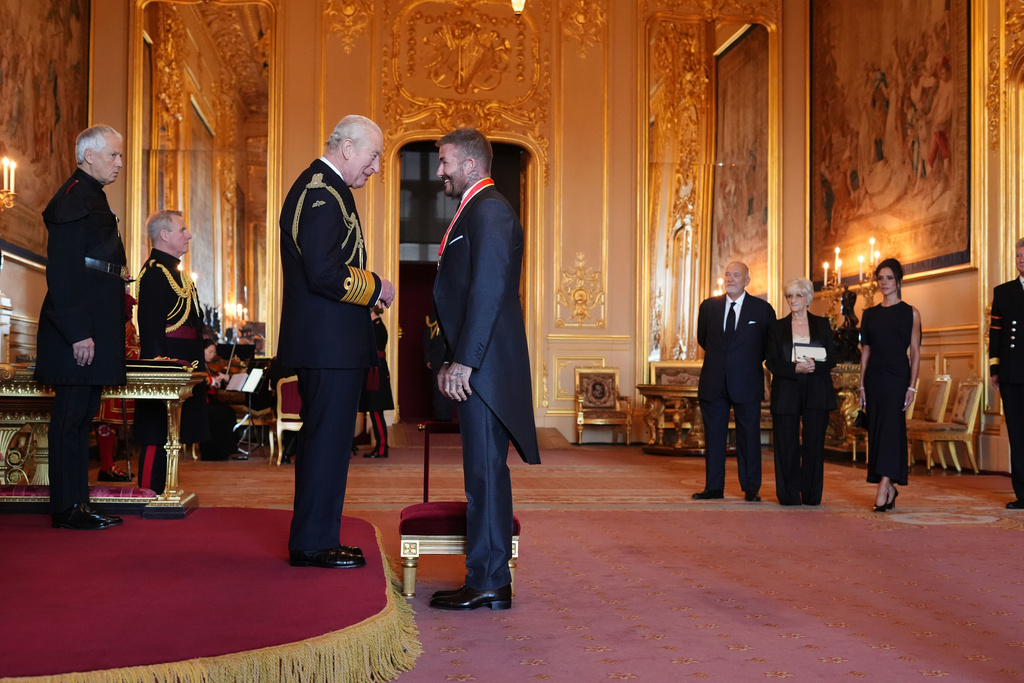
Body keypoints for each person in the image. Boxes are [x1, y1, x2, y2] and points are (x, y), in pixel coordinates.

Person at [430, 127, 541, 611]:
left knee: (485, 475)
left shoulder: (490, 210)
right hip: (479, 367)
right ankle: (488, 576)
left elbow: (489, 291)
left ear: (471, 165)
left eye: (445, 162)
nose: (439, 171)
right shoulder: (475, 210)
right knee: (481, 475)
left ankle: (490, 579)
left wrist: (465, 362)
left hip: (485, 371)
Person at [277, 114, 395, 569]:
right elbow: (324, 272)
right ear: (348, 149)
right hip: (327, 347)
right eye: (373, 155)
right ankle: (313, 543)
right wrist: (375, 286)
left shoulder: (325, 190)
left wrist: (361, 302)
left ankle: (317, 536)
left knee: (326, 442)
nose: (375, 167)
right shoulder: (322, 193)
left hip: (331, 342)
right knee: (326, 443)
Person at [36, 124, 128, 530]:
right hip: (77, 330)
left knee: (83, 415)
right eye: (114, 155)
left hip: (92, 323)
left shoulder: (91, 196)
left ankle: (78, 504)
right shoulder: (72, 198)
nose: (119, 163)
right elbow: (63, 272)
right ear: (89, 156)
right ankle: (66, 508)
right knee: (70, 417)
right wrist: (78, 333)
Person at [134, 210, 210, 493]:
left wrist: (200, 366)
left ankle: (167, 488)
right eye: (182, 229)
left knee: (173, 432)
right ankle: (148, 491)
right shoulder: (155, 273)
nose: (188, 235)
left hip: (185, 365)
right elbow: (151, 328)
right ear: (164, 235)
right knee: (157, 431)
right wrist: (157, 371)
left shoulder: (178, 274)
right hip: (166, 367)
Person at [693, 261, 776, 502]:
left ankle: (751, 488)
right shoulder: (709, 307)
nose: (730, 278)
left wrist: (742, 361)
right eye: (727, 274)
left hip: (747, 381)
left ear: (747, 280)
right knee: (714, 437)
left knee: (749, 437)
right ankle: (713, 487)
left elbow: (766, 346)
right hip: (714, 381)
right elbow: (703, 339)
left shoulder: (762, 310)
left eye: (736, 275)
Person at [765, 277, 837, 506]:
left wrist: (816, 366)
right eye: (789, 295)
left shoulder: (823, 325)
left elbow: (832, 358)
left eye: (797, 295)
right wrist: (795, 368)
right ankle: (788, 495)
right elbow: (771, 361)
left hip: (817, 389)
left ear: (807, 298)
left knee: (814, 444)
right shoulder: (777, 327)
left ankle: (812, 495)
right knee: (786, 445)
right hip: (787, 388)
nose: (792, 300)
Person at [859, 258, 922, 512]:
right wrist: (861, 385)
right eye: (880, 278)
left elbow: (916, 352)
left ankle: (884, 486)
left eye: (888, 278)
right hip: (874, 379)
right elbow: (865, 351)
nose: (884, 283)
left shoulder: (911, 312)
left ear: (898, 281)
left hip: (898, 379)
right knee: (877, 431)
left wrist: (912, 386)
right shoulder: (869, 314)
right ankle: (889, 486)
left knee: (892, 430)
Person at [988, 238, 1024, 510]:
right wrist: (995, 369)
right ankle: (1023, 494)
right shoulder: (1003, 292)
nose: (1021, 260)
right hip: (1012, 374)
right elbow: (996, 334)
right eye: (1018, 256)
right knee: (1018, 434)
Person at [360, 305, 394, 458]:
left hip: (376, 372)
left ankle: (381, 447)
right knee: (374, 410)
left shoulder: (377, 327)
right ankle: (379, 446)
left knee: (376, 409)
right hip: (374, 371)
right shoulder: (375, 326)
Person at [200, 339, 241, 461]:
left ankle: (230, 449)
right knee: (221, 414)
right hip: (201, 401)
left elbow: (214, 383)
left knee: (229, 412)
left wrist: (222, 380)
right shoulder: (197, 365)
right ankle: (214, 453)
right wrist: (212, 381)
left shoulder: (209, 366)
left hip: (210, 399)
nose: (213, 355)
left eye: (214, 352)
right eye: (210, 351)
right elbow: (201, 383)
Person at [424, 311, 455, 421]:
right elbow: (427, 340)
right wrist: (428, 358)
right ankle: (440, 417)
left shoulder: (454, 317)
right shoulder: (431, 320)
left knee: (451, 387)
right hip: (436, 358)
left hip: (452, 359)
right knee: (438, 389)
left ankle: (448, 416)